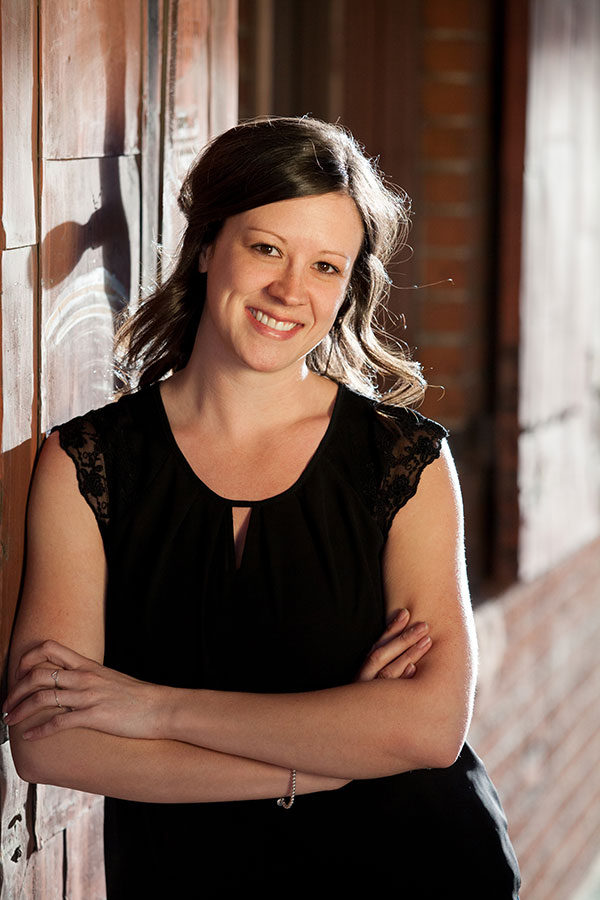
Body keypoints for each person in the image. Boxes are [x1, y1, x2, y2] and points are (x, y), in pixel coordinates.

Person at [4, 117, 520, 897]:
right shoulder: (88, 463)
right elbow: (50, 744)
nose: (290, 291)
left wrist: (154, 709)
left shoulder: (403, 460)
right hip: (188, 876)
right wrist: (318, 761)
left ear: (348, 287)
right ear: (209, 246)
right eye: (266, 248)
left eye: (325, 266)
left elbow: (427, 729)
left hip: (415, 868)